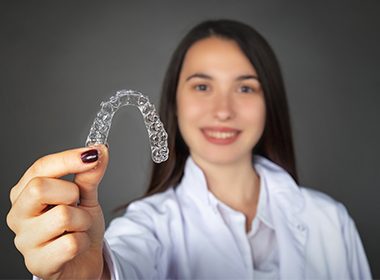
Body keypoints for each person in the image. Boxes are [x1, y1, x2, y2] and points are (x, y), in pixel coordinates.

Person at [6, 19, 372, 279]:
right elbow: (123, 263)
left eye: (245, 88)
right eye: (201, 87)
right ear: (175, 101)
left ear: (269, 103)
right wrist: (91, 275)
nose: (223, 110)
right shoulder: (146, 227)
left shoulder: (331, 221)